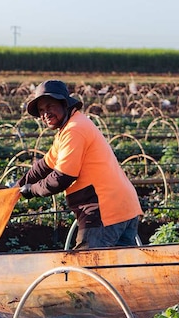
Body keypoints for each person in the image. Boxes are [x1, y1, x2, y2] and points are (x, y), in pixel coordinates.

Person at [16, 80, 142, 249]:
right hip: (124, 207)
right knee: (118, 270)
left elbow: (61, 178)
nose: (45, 113)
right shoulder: (70, 128)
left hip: (104, 212)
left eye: (50, 106)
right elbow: (45, 165)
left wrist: (31, 190)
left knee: (87, 267)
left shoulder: (74, 129)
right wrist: (16, 187)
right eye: (41, 110)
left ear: (64, 104)